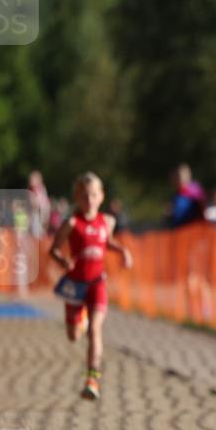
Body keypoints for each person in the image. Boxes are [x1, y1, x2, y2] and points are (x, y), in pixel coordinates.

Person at [50, 172, 133, 401]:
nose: (89, 200)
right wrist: (62, 261)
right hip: (75, 286)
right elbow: (54, 250)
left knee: (96, 331)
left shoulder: (107, 222)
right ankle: (81, 318)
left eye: (94, 195)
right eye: (85, 195)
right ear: (77, 197)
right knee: (74, 336)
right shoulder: (71, 223)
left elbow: (106, 242)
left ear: (101, 197)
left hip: (97, 283)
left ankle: (92, 379)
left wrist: (123, 251)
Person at [166, 164, 206, 228]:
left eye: (177, 176)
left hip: (193, 229)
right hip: (182, 230)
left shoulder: (193, 192)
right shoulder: (177, 195)